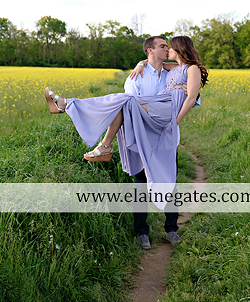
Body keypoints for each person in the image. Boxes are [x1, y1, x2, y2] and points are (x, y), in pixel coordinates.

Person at [44, 35, 208, 248]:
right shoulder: (136, 77)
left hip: (166, 133)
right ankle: (142, 232)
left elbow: (191, 95)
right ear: (149, 50)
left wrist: (186, 107)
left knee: (170, 182)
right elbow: (128, 112)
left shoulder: (173, 69)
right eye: (162, 46)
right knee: (141, 184)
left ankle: (172, 230)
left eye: (168, 46)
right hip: (142, 135)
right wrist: (141, 64)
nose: (167, 49)